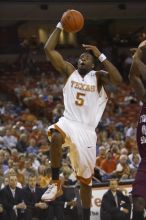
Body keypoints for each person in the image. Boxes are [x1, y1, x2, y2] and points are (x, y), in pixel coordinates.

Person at [42, 10, 122, 220]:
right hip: (69, 121)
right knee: (56, 135)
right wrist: (60, 24)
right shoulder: (69, 71)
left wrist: (100, 53)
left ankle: (85, 216)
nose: (82, 58)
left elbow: (118, 79)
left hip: (87, 131)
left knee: (85, 182)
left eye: (86, 57)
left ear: (93, 63)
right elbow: (48, 49)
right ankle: (55, 182)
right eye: (80, 56)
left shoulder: (98, 77)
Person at [129, 40, 146, 220]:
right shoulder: (145, 100)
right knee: (139, 200)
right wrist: (137, 57)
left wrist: (138, 57)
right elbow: (133, 78)